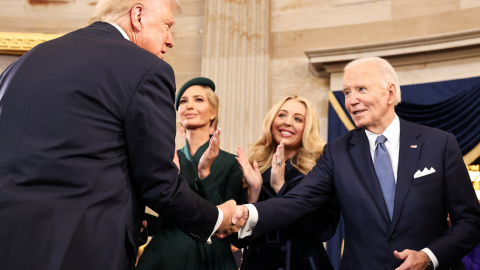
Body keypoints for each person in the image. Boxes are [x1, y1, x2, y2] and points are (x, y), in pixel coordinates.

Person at [0, 1, 243, 269]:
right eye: (167, 25)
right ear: (138, 16)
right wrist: (217, 217)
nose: (170, 40)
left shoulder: (22, 64)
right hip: (82, 248)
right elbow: (159, 184)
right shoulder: (147, 69)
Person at [231, 57, 480, 270]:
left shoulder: (439, 143)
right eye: (347, 92)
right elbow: (298, 201)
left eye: (361, 89)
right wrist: (247, 212)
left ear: (390, 93)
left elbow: (470, 222)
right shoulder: (337, 152)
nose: (351, 101)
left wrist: (428, 257)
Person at [136, 77, 243, 270]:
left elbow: (230, 226)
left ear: (213, 112)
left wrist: (205, 174)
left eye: (198, 100)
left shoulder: (231, 163)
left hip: (211, 257)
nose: (189, 105)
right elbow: (159, 216)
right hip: (164, 254)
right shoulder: (166, 159)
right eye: (183, 101)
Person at [234, 96, 340, 270]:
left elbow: (324, 229)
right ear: (272, 120)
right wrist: (254, 191)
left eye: (298, 119)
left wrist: (282, 187)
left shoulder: (321, 168)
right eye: (282, 115)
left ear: (308, 128)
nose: (287, 122)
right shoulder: (253, 165)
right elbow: (238, 239)